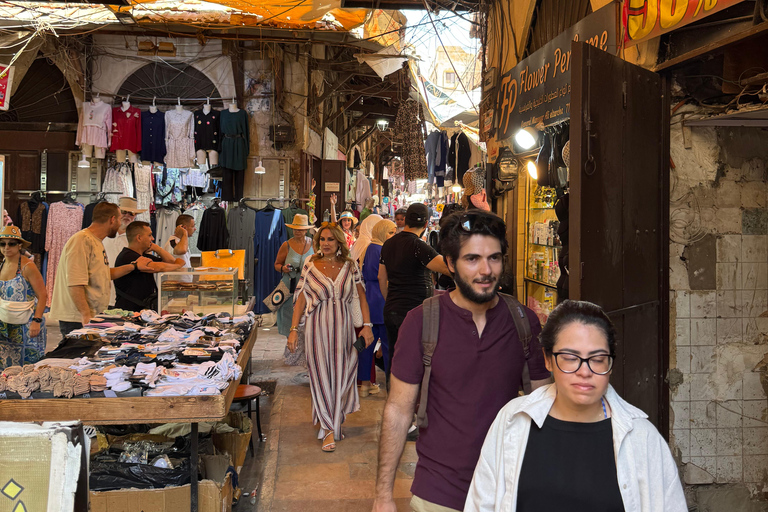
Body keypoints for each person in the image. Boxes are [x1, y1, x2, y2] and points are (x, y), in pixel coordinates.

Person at [372, 210, 552, 512]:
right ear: (451, 264)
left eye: (494, 258)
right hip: (438, 492)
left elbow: (543, 406)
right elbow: (399, 410)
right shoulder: (421, 322)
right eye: (472, 259)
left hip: (507, 489)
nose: (486, 270)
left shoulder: (523, 321)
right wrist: (383, 495)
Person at [465, 300, 687, 512]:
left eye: (597, 359)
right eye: (570, 357)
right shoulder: (513, 420)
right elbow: (481, 504)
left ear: (610, 365)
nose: (584, 371)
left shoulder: (642, 437)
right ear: (548, 360)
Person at [286, 222, 375, 452]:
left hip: (344, 328)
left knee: (344, 374)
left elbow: (362, 296)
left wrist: (367, 326)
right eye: (322, 239)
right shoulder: (310, 265)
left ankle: (334, 417)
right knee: (321, 375)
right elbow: (301, 299)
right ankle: (328, 428)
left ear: (339, 242)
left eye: (330, 239)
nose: (325, 243)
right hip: (317, 328)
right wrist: (293, 329)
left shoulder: (350, 265)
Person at [50, 202, 153, 338]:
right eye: (119, 219)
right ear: (112, 220)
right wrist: (86, 315)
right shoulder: (82, 240)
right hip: (77, 318)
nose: (119, 224)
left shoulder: (96, 241)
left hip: (89, 315)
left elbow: (103, 274)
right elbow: (75, 282)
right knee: (80, 351)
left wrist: (133, 266)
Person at [378, 203, 450, 384]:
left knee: (395, 356)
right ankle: (411, 399)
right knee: (414, 360)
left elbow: (381, 277)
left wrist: (390, 300)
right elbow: (446, 268)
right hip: (415, 311)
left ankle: (392, 395)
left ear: (406, 220)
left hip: (392, 309)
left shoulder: (388, 244)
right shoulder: (418, 246)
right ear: (426, 224)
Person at [0, 226, 47, 369]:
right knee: (7, 370)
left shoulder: (28, 267)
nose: (6, 247)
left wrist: (37, 321)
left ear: (19, 245)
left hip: (27, 326)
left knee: (29, 369)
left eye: (11, 244)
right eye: (2, 244)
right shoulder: (2, 265)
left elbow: (42, 295)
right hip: (6, 326)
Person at [358, 219, 396, 397]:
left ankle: (365, 384)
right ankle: (391, 387)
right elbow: (383, 276)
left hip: (370, 299)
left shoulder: (368, 248)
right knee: (388, 347)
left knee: (365, 346)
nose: (393, 236)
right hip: (382, 298)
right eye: (390, 232)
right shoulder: (380, 249)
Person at [114, 221, 184, 312]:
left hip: (142, 310)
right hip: (129, 311)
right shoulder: (127, 256)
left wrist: (157, 248)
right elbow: (160, 267)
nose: (153, 238)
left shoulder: (144, 256)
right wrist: (178, 265)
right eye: (149, 235)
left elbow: (170, 262)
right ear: (139, 238)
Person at [274, 214, 314, 366]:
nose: (298, 231)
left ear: (306, 230)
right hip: (290, 287)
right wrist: (283, 268)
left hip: (307, 288)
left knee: (306, 320)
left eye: (301, 229)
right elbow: (277, 264)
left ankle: (305, 353)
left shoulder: (313, 244)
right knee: (289, 318)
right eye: (296, 229)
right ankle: (292, 351)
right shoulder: (286, 245)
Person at [103, 197, 147, 306]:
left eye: (131, 213)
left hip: (128, 295)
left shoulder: (139, 239)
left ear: (135, 216)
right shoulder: (104, 235)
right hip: (104, 293)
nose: (127, 216)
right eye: (124, 212)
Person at [162, 214, 196, 282]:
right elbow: (182, 250)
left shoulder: (181, 241)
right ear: (184, 228)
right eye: (192, 226)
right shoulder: (172, 242)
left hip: (184, 282)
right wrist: (185, 233)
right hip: (177, 283)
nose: (195, 229)